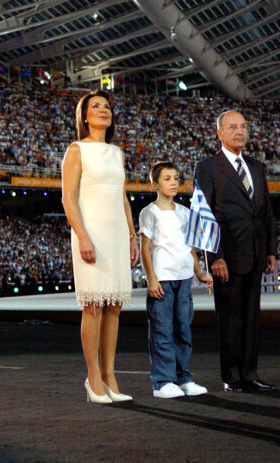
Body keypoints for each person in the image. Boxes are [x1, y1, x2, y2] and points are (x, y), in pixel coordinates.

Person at [61, 90, 139, 404]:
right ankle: (93, 377)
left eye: (107, 106)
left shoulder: (117, 153)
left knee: (114, 306)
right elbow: (68, 198)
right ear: (83, 116)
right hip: (90, 233)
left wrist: (133, 237)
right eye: (95, 106)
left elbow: (122, 199)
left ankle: (110, 375)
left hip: (118, 234)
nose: (103, 110)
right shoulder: (76, 149)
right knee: (93, 306)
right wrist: (82, 236)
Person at [194, 110, 278, 392]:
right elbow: (204, 215)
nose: (240, 131)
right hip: (226, 257)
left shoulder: (256, 166)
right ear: (219, 133)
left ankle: (250, 374)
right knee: (230, 320)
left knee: (252, 319)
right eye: (232, 127)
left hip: (255, 253)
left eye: (243, 126)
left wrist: (271, 250)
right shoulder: (207, 168)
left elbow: (266, 212)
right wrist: (214, 257)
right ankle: (232, 377)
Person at [139, 161, 213, 399]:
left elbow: (190, 247)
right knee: (162, 332)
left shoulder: (185, 212)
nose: (173, 182)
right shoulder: (149, 212)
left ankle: (183, 379)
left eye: (176, 178)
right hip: (162, 280)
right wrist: (151, 279)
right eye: (167, 178)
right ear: (154, 184)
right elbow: (145, 249)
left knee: (183, 331)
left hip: (184, 280)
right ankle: (162, 382)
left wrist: (200, 273)